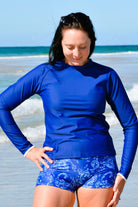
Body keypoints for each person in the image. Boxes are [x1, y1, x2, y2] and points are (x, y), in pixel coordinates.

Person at [0, 12, 138, 207]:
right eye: (69, 47)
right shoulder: (44, 73)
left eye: (83, 47)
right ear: (60, 43)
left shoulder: (106, 75)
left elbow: (131, 124)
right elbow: (2, 105)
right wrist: (27, 149)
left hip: (100, 167)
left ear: (92, 42)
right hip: (55, 166)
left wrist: (123, 174)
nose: (76, 53)